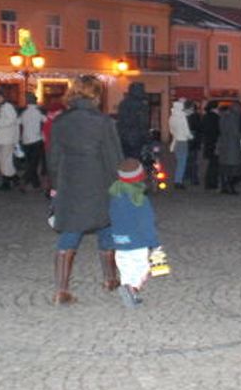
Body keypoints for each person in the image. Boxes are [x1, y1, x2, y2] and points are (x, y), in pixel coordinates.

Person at [46, 75, 123, 305]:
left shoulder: (60, 121)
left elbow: (53, 158)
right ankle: (110, 279)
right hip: (99, 181)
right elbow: (113, 157)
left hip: (70, 182)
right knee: (106, 226)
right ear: (96, 95)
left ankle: (61, 289)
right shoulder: (103, 122)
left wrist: (56, 185)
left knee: (70, 231)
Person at [108, 157, 162, 308]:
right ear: (140, 176)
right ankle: (132, 289)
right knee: (143, 269)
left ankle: (129, 292)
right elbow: (147, 224)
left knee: (126, 269)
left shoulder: (114, 196)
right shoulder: (140, 199)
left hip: (119, 242)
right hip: (138, 242)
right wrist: (154, 244)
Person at [115, 82, 151, 160]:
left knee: (125, 161)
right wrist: (147, 138)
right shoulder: (141, 105)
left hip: (123, 138)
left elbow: (120, 120)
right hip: (136, 138)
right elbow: (143, 123)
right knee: (136, 163)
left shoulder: (123, 103)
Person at [19, 94, 46, 192]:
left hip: (25, 140)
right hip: (36, 140)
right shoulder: (39, 112)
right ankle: (24, 180)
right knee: (33, 164)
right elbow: (46, 121)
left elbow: (18, 122)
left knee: (30, 163)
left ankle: (36, 185)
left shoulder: (24, 112)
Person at [216, 102, 241, 194]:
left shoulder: (223, 117)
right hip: (233, 146)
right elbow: (236, 133)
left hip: (224, 145)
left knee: (224, 169)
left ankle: (224, 187)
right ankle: (230, 186)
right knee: (235, 169)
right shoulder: (234, 117)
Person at [168, 98, 193, 188]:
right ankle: (178, 181)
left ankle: (177, 180)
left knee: (179, 161)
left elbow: (171, 130)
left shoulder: (172, 116)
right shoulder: (182, 117)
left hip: (176, 141)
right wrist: (191, 136)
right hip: (182, 141)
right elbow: (186, 131)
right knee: (182, 162)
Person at [185, 101, 202, 186]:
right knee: (193, 161)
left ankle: (187, 176)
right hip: (193, 140)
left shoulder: (185, 116)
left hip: (188, 140)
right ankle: (193, 178)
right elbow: (199, 127)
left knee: (188, 160)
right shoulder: (195, 116)